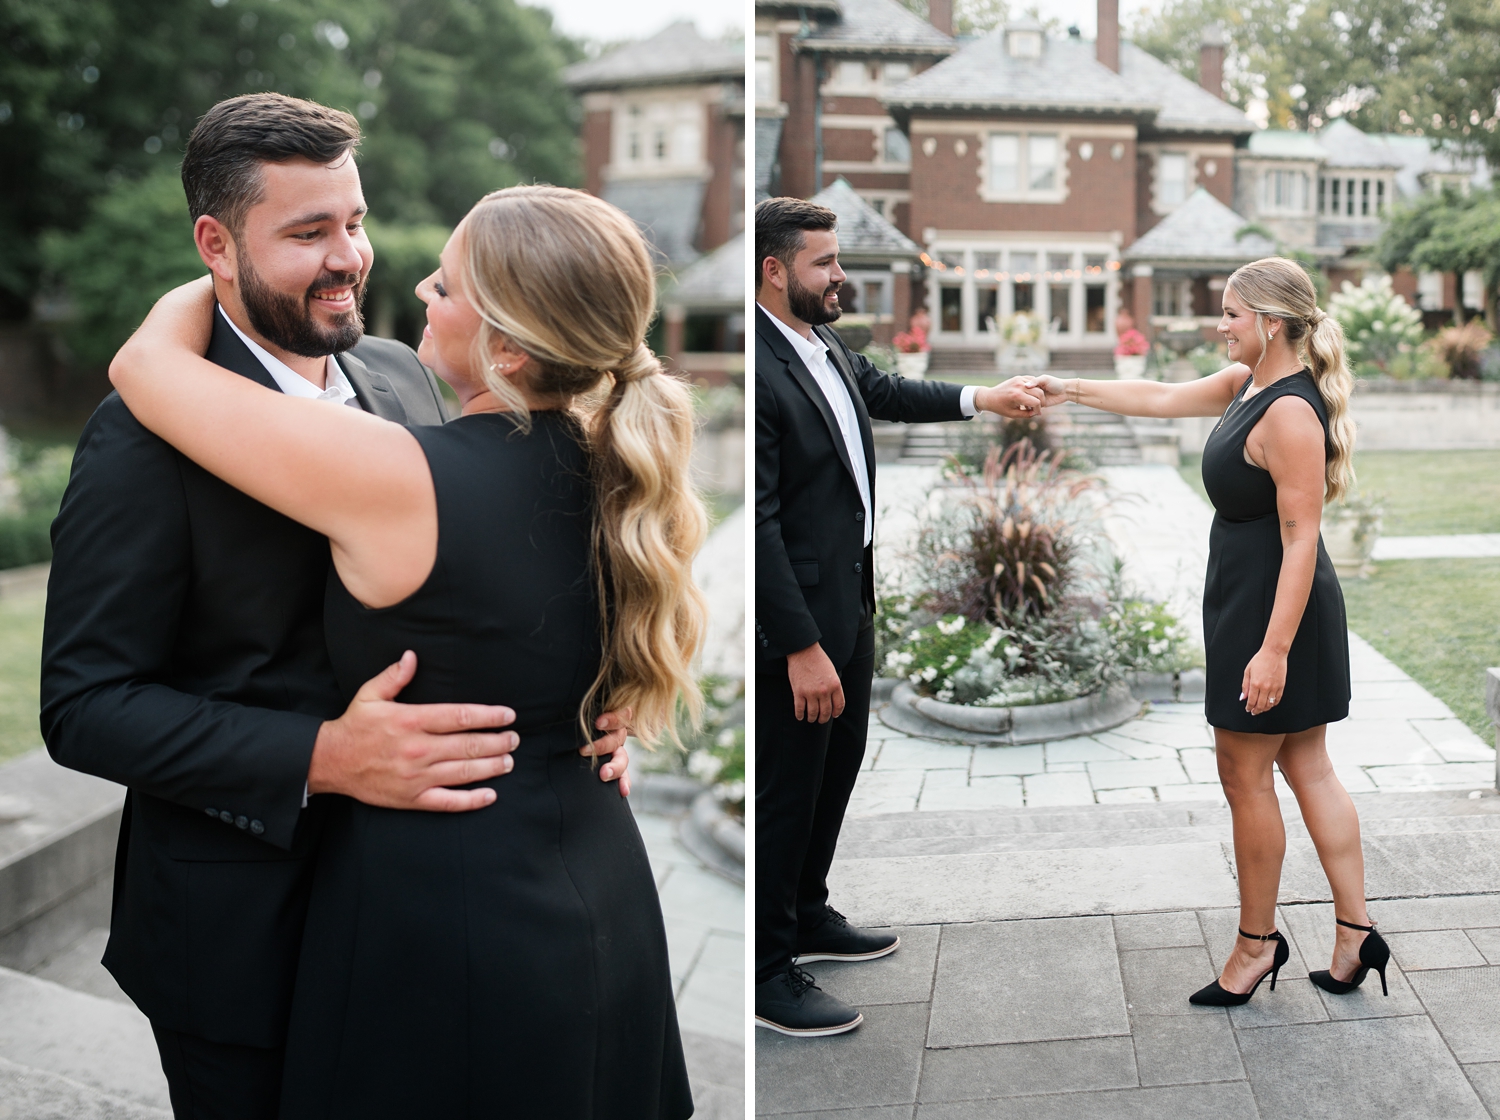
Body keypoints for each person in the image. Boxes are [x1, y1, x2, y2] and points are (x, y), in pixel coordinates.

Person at [40, 94, 631, 1119]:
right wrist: (325, 756)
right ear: (216, 246)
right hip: (242, 928)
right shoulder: (140, 441)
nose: (351, 257)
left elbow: (480, 575)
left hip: (418, 918)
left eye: (353, 221)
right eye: (308, 232)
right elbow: (84, 703)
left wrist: (581, 708)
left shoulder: (402, 377)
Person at [1024, 257, 1389, 1005]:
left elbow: (1300, 539)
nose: (1217, 325)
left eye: (1229, 313)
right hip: (1253, 602)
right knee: (1306, 767)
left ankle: (1257, 947)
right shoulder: (1246, 386)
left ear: (1270, 323)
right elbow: (1158, 396)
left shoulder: (1287, 412)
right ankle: (1355, 935)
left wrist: (1274, 650)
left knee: (1247, 773)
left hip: (1273, 613)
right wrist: (1069, 388)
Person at [754, 196, 1046, 1036]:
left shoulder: (823, 345)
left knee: (833, 774)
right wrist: (800, 646)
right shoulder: (764, 361)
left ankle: (807, 913)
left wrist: (985, 399)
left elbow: (887, 391)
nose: (840, 274)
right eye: (824, 262)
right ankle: (768, 971)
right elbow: (764, 523)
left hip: (853, 604)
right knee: (786, 790)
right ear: (775, 272)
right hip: (802, 628)